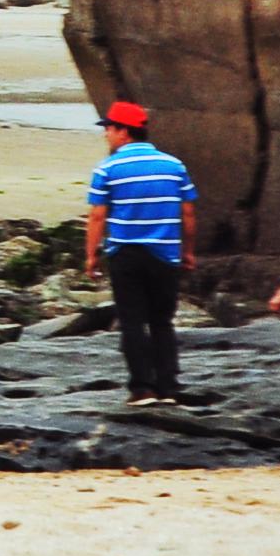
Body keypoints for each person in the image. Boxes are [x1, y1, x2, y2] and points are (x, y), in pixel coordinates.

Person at [84, 100, 197, 407]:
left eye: (109, 128)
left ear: (124, 131)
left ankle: (142, 389)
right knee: (163, 320)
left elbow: (97, 216)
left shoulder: (108, 168)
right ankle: (168, 387)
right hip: (165, 253)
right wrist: (188, 251)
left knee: (132, 320)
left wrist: (91, 255)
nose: (106, 133)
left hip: (125, 253)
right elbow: (188, 214)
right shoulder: (174, 166)